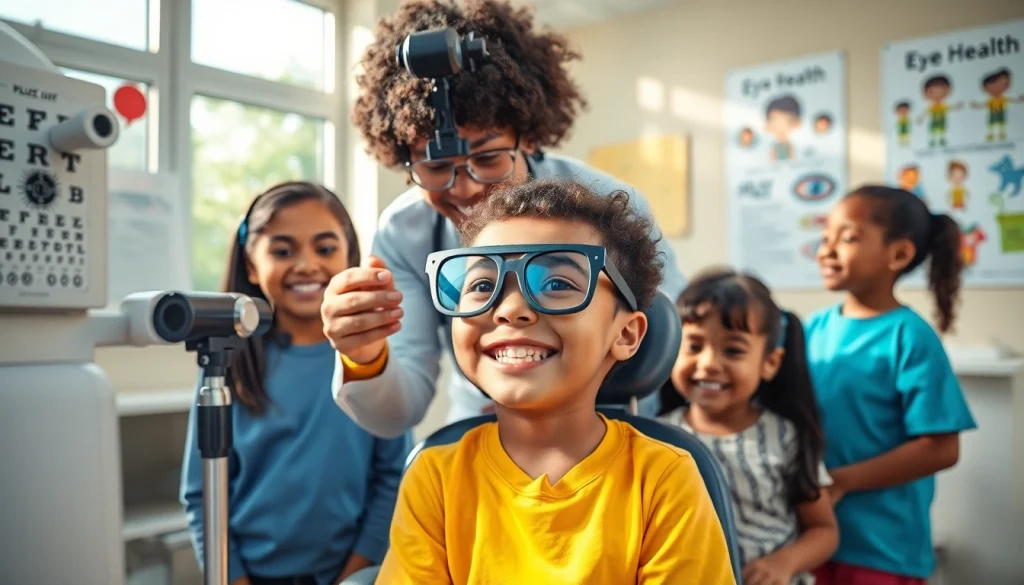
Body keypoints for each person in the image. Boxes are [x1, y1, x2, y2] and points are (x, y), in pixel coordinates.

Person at [322, 0, 686, 438]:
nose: (464, 188)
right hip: (483, 426)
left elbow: (660, 341)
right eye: (435, 167)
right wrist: (364, 355)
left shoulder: (609, 206)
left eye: (488, 158)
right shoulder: (405, 232)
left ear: (527, 137)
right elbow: (395, 413)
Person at [375, 180, 735, 584]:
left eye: (557, 284)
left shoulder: (664, 478)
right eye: (482, 285)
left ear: (625, 334)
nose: (510, 309)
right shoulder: (435, 476)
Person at [179, 182, 411, 585]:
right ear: (251, 265)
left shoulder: (370, 360)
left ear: (349, 257)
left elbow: (392, 480)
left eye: (325, 248)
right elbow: (202, 495)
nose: (306, 265)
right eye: (283, 251)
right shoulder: (226, 363)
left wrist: (353, 575)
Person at [806, 185, 977, 585]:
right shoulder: (814, 329)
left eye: (847, 238)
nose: (826, 250)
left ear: (898, 254)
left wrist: (842, 481)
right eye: (825, 237)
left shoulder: (910, 337)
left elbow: (941, 448)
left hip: (884, 549)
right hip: (813, 537)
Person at [660, 268, 838, 585]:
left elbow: (823, 530)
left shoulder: (784, 437)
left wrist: (784, 562)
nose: (708, 363)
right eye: (694, 346)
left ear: (770, 363)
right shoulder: (655, 439)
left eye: (733, 350)